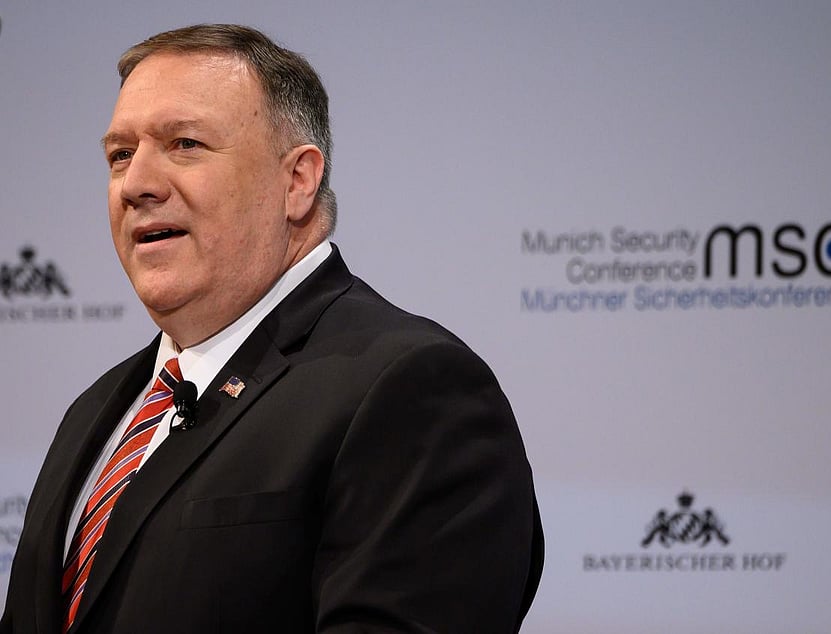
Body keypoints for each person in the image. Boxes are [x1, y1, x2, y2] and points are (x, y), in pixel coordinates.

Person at [1, 24, 542, 633]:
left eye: (184, 144)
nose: (136, 185)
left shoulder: (413, 390)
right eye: (120, 155)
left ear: (297, 181)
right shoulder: (94, 412)